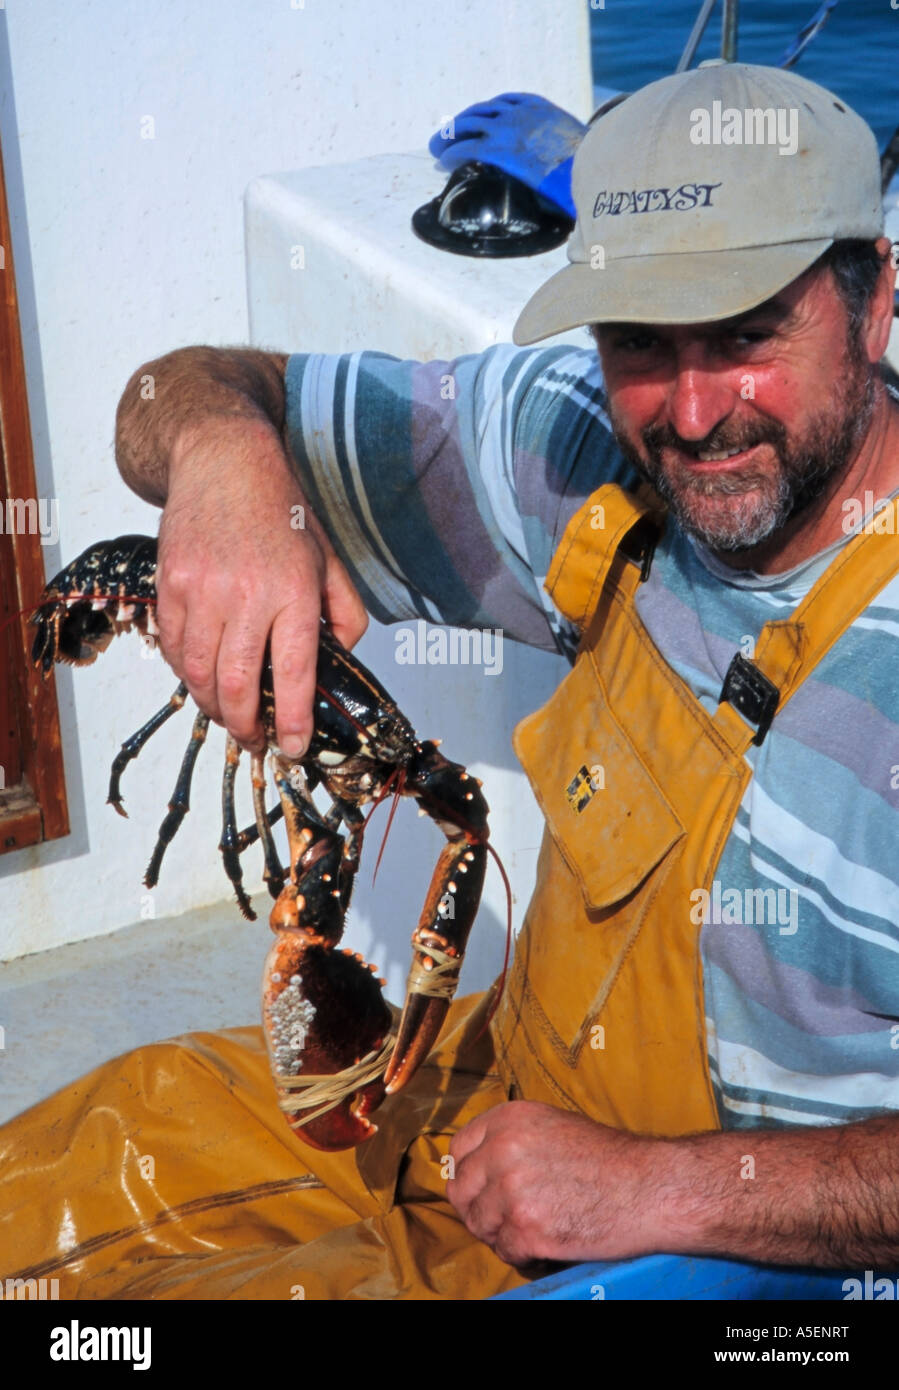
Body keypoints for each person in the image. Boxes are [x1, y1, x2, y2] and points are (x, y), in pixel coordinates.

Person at [3, 60, 899, 1298]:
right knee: (47, 1180)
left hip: (716, 1263)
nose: (690, 413)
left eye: (746, 335)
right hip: (482, 1101)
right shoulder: (583, 446)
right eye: (639, 339)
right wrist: (226, 457)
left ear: (871, 304)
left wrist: (649, 1187)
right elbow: (176, 387)